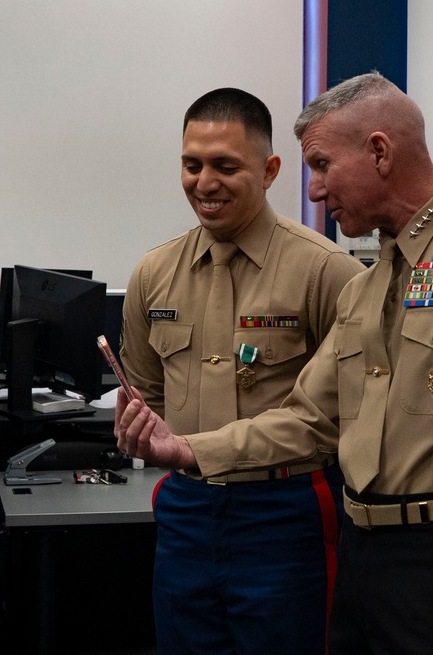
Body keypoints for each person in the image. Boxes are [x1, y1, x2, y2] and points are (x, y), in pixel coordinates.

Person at [117, 73, 433, 655]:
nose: (313, 191)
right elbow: (309, 417)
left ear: (379, 151)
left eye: (321, 165)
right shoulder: (369, 286)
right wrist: (186, 450)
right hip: (363, 554)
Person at [118, 87, 364, 654]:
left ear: (271, 169)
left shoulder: (328, 272)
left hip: (285, 514)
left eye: (226, 166)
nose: (205, 183)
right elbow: (146, 395)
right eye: (191, 165)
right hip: (186, 510)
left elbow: (341, 416)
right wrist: (139, 431)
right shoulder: (154, 274)